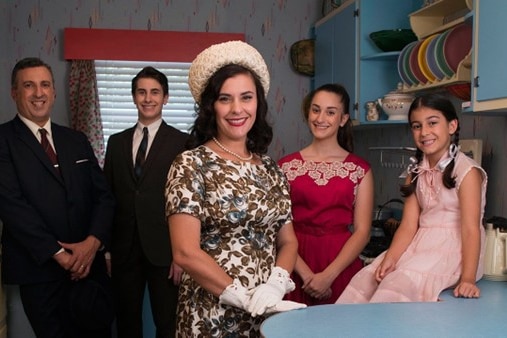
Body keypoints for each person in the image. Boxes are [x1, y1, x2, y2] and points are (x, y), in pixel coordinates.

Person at [165, 40, 306, 337]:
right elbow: (184, 252)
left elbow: (288, 241)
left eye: (246, 97)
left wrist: (276, 283)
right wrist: (243, 297)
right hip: (210, 315)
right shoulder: (191, 164)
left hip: (266, 314)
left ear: (258, 103)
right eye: (225, 99)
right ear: (210, 106)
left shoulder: (270, 168)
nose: (237, 109)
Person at [0, 57, 115, 338]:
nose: (38, 93)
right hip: (39, 271)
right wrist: (61, 256)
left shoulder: (76, 139)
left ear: (53, 92)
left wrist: (92, 244)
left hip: (89, 270)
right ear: (14, 92)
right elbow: (12, 206)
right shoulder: (3, 140)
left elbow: (104, 196)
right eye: (29, 85)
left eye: (44, 85)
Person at [337, 94, 488, 303]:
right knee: (371, 277)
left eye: (433, 123)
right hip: (420, 245)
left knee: (397, 283)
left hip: (455, 249)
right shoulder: (415, 172)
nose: (424, 132)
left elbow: (471, 228)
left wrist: (468, 279)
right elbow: (408, 225)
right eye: (417, 126)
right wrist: (390, 258)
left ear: (452, 126)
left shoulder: (467, 172)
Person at [103, 66, 188, 338]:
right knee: (127, 322)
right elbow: (108, 197)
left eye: (155, 92)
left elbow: (186, 204)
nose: (147, 98)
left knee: (167, 322)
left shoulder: (183, 143)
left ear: (165, 97)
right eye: (141, 92)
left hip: (165, 250)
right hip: (124, 249)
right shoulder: (116, 143)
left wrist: (182, 254)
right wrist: (106, 250)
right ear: (133, 97)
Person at [278, 83, 374, 305]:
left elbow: (362, 232)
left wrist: (328, 276)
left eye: (330, 112)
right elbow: (277, 228)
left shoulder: (360, 169)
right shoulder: (285, 167)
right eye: (315, 109)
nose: (321, 118)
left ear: (343, 119)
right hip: (294, 261)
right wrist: (305, 274)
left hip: (340, 264)